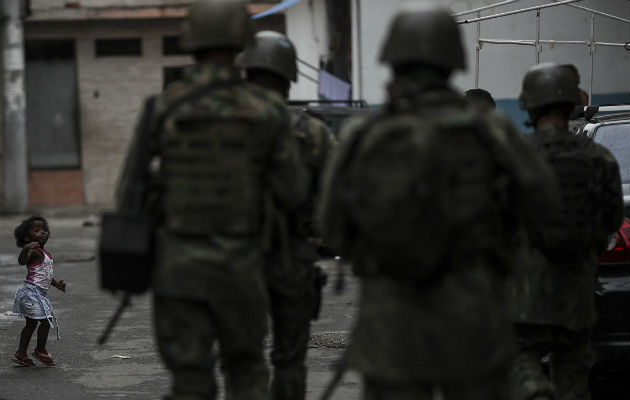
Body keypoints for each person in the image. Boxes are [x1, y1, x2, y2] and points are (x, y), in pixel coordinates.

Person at [319, 3, 557, 399]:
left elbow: (331, 228)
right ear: (453, 60)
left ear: (392, 59)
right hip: (472, 315)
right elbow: (545, 203)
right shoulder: (491, 130)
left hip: (390, 322)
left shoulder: (365, 133)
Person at [116, 0, 306, 399]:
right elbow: (292, 192)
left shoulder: (164, 105)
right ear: (242, 42)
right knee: (246, 370)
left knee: (190, 380)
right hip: (242, 267)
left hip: (178, 269)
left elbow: (127, 194)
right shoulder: (268, 109)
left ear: (191, 39)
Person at [508, 62, 624, 400]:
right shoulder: (599, 157)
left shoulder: (515, 156)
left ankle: (533, 391)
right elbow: (613, 220)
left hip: (525, 294)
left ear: (530, 104)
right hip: (577, 295)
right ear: (571, 103)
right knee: (572, 374)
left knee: (521, 359)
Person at [239, 31, 335, 400]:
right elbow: (338, 196)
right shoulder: (311, 131)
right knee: (290, 360)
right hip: (293, 260)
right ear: (289, 76)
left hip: (235, 260)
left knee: (244, 360)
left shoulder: (222, 126)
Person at [12, 215, 66, 367]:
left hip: (37, 294)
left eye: (44, 230)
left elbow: (44, 274)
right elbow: (22, 261)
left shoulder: (44, 253)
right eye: (37, 230)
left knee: (32, 324)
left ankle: (21, 353)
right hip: (31, 294)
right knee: (45, 321)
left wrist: (56, 283)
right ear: (27, 237)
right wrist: (25, 249)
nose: (43, 233)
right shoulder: (33, 252)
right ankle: (40, 350)